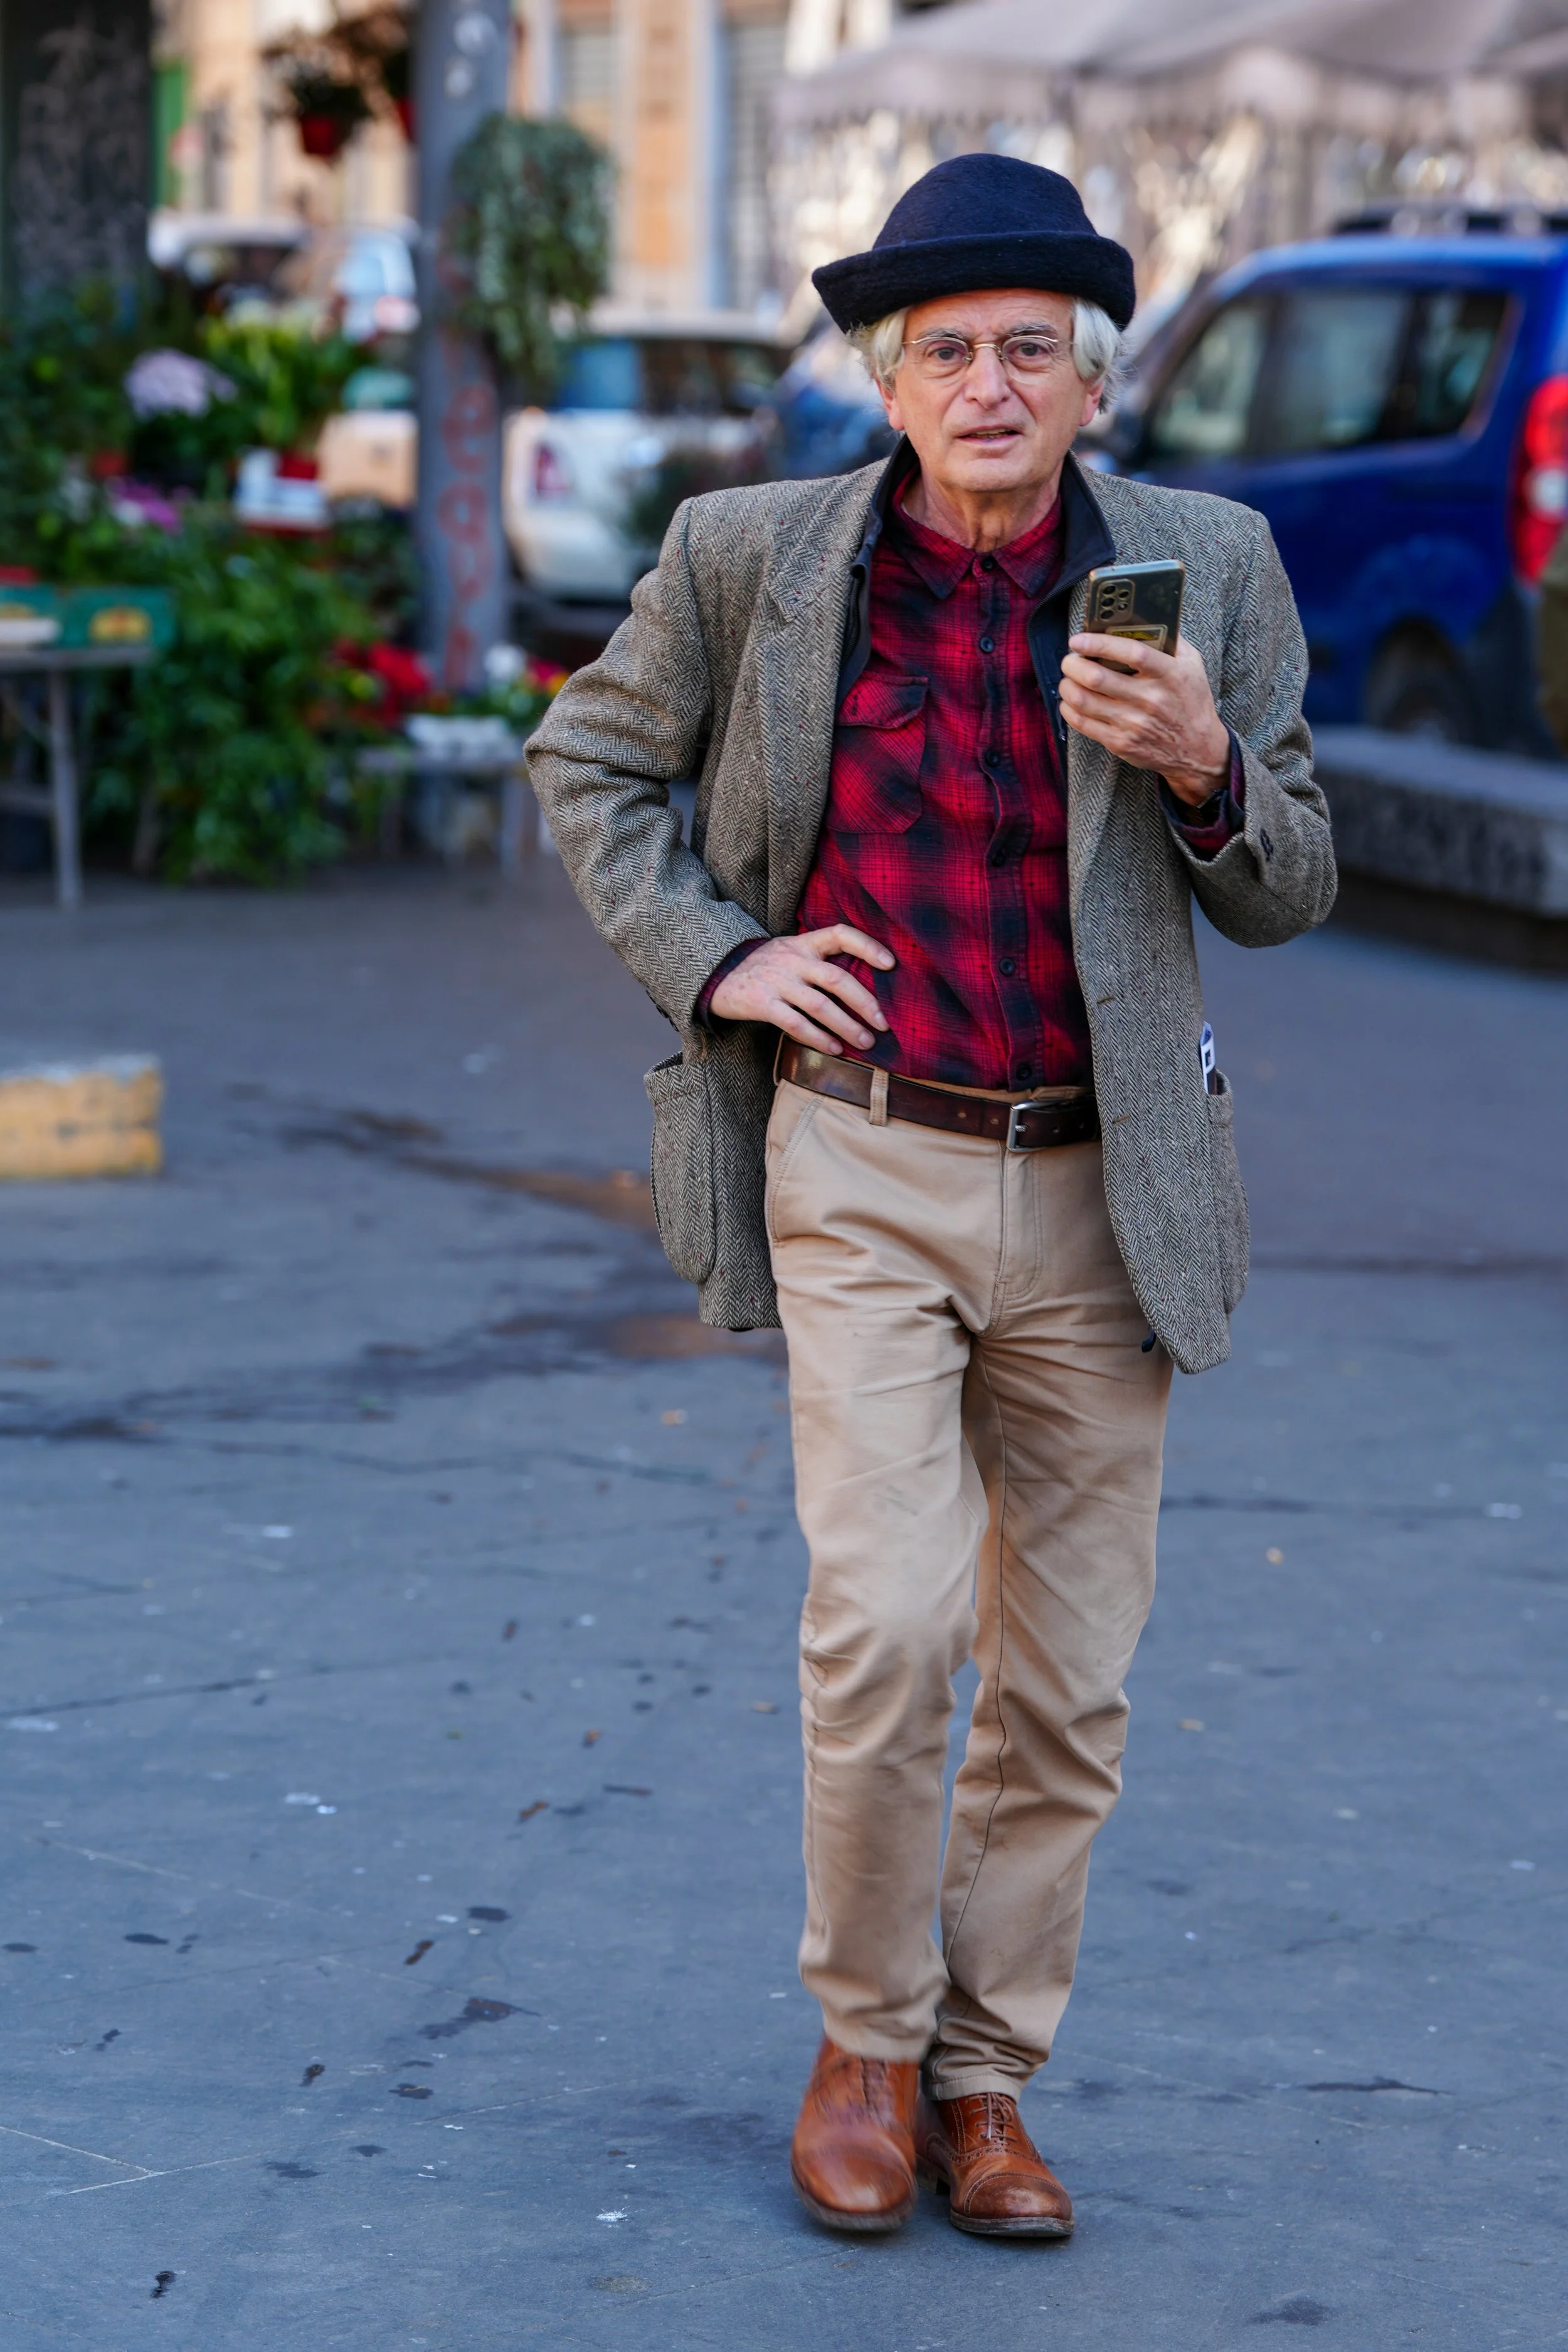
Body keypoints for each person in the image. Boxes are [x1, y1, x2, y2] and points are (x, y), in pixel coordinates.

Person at [528, 154, 1335, 2242]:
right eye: (949, 351)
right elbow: (588, 761)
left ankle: (989, 2083)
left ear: (1091, 385)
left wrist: (1201, 769)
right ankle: (863, 2045)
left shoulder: (1206, 566)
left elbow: (1293, 878)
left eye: (1031, 352)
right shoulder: (752, 560)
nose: (991, 386)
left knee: (1068, 1684)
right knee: (883, 1624)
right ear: (889, 382)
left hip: (1101, 1180)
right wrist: (719, 952)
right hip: (863, 1153)